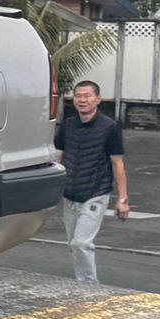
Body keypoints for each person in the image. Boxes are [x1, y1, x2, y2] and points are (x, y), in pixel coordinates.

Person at [53, 79, 129, 283]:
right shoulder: (67, 125)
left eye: (87, 96)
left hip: (96, 193)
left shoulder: (110, 127)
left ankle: (89, 289)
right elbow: (58, 157)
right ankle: (83, 283)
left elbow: (118, 163)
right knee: (73, 244)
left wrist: (122, 199)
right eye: (78, 96)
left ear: (98, 100)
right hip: (70, 194)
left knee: (81, 243)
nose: (82, 100)